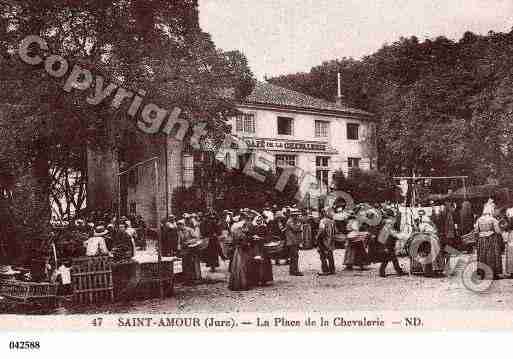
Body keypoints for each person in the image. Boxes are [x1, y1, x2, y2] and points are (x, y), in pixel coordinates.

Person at [475, 206, 503, 279]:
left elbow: (476, 230)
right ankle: (493, 273)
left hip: (481, 240)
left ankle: (483, 273)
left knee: (482, 256)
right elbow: (498, 231)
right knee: (492, 256)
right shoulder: (493, 219)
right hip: (491, 239)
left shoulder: (479, 219)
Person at [229, 213, 254, 290]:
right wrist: (247, 243)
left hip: (238, 250)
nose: (245, 227)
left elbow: (233, 241)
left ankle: (237, 283)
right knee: (242, 267)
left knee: (237, 267)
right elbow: (242, 242)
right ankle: (242, 284)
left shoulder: (235, 231)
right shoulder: (240, 233)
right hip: (241, 250)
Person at [250, 215, 273, 286]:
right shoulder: (253, 228)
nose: (259, 222)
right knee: (255, 262)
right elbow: (250, 236)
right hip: (255, 247)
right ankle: (255, 280)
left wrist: (261, 238)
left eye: (260, 220)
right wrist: (253, 238)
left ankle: (264, 280)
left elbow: (269, 237)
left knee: (264, 263)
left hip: (263, 247)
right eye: (257, 220)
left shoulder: (264, 227)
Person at [177, 219, 202, 283]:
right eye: (178, 226)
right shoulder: (180, 231)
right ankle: (186, 278)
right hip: (184, 249)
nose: (179, 227)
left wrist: (188, 242)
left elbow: (196, 238)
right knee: (184, 264)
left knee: (191, 263)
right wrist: (179, 246)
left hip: (192, 248)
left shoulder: (190, 230)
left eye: (180, 225)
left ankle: (193, 278)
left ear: (183, 225)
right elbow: (179, 240)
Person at [316, 209, 336, 276]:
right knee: (330, 255)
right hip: (331, 240)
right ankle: (332, 269)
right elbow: (335, 231)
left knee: (323, 256)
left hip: (324, 240)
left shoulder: (322, 221)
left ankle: (325, 270)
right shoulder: (332, 221)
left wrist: (317, 238)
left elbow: (321, 231)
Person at [285, 209, 304, 276]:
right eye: (296, 215)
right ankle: (294, 271)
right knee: (294, 256)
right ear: (293, 215)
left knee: (294, 256)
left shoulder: (294, 221)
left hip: (294, 241)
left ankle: (293, 270)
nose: (297, 216)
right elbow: (295, 228)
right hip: (292, 241)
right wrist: (300, 224)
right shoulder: (290, 221)